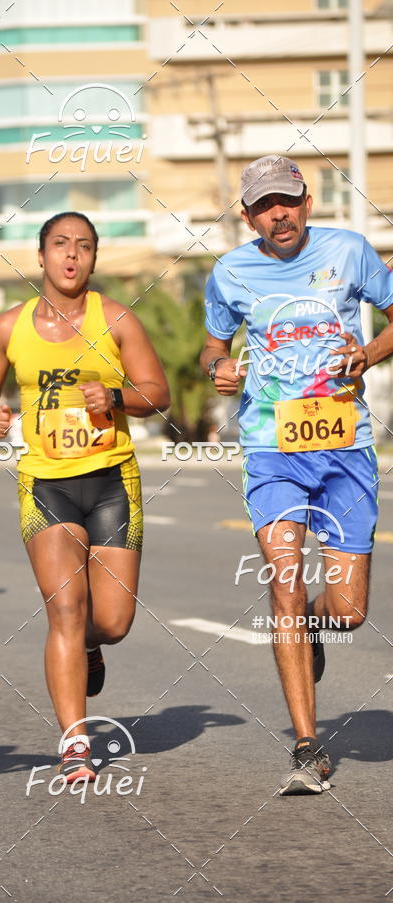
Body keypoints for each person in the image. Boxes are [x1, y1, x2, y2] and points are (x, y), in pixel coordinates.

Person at [201, 155, 393, 795]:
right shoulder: (230, 272)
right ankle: (307, 748)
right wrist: (218, 368)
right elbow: (214, 345)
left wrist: (367, 352)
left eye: (286, 200)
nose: (277, 214)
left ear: (307, 201)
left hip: (345, 446)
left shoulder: (350, 250)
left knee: (349, 610)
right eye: (263, 205)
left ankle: (314, 624)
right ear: (248, 215)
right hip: (270, 446)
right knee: (284, 583)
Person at [0, 211, 169, 782]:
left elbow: (159, 395)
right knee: (65, 610)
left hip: (111, 479)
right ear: (41, 256)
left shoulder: (118, 320)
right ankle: (75, 743)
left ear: (94, 258)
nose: (71, 255)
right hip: (45, 481)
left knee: (111, 621)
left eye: (83, 246)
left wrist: (116, 396)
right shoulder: (10, 327)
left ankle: (89, 648)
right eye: (60, 245)